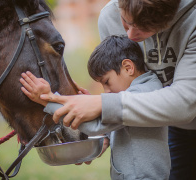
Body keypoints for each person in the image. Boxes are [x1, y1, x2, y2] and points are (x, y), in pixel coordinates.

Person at [21, 0, 196, 179]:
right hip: (169, 129)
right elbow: (118, 111)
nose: (131, 36)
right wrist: (96, 113)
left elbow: (184, 102)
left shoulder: (145, 91)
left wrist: (48, 100)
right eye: (127, 22)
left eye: (145, 28)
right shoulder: (111, 17)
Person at [20, 35, 170, 179]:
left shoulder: (142, 95)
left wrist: (47, 101)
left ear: (128, 67)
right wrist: (92, 107)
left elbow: (96, 126)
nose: (107, 91)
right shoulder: (147, 86)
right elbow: (121, 124)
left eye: (107, 82)